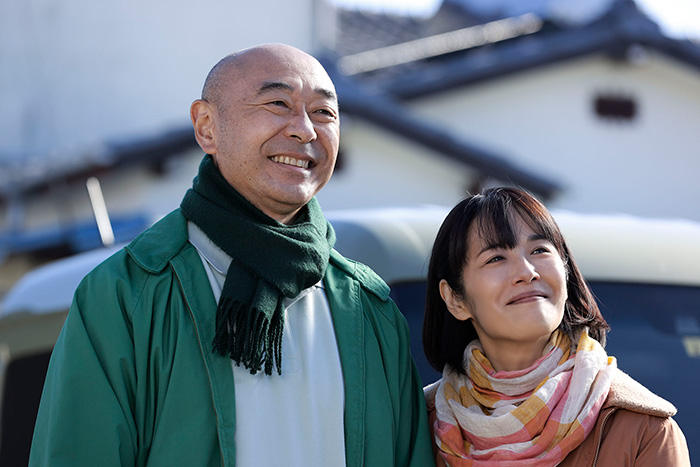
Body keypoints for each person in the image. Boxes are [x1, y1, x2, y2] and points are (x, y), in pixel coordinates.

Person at [29, 44, 434, 467]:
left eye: (324, 113)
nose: (305, 130)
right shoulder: (125, 295)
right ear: (207, 127)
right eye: (278, 103)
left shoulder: (369, 308)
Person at [422, 187, 690, 466]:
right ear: (455, 299)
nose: (527, 272)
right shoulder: (422, 424)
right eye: (496, 258)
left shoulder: (643, 431)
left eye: (539, 250)